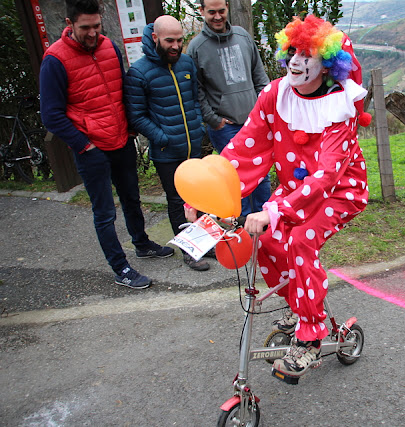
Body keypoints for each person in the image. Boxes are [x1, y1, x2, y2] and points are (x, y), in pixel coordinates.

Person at [219, 15, 369, 381]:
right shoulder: (275, 94)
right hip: (293, 192)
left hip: (341, 192)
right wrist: (213, 192)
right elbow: (245, 147)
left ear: (329, 63)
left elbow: (326, 176)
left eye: (308, 54)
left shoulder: (341, 107)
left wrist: (276, 209)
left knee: (300, 241)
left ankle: (312, 337)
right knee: (267, 239)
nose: (297, 62)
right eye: (293, 52)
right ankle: (297, 302)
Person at [40, 0, 174, 289]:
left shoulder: (109, 47)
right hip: (91, 149)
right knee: (104, 212)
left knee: (131, 198)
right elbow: (51, 115)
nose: (92, 33)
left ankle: (141, 243)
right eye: (84, 28)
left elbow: (121, 91)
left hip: (120, 140)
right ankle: (120, 267)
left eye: (96, 26)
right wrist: (84, 145)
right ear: (70, 23)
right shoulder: (55, 59)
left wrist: (127, 130)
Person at [123, 15, 210, 271]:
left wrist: (199, 127)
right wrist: (162, 138)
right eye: (169, 40)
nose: (175, 46)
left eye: (180, 40)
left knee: (202, 197)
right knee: (177, 201)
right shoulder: (139, 72)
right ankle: (189, 251)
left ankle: (205, 244)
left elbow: (194, 98)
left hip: (193, 144)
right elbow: (136, 115)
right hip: (166, 151)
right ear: (155, 38)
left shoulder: (186, 63)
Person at [186, 0, 272, 216]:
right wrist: (213, 120)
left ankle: (266, 223)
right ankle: (240, 225)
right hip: (225, 126)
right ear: (202, 11)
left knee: (261, 173)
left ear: (227, 8)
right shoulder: (196, 47)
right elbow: (197, 90)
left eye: (221, 11)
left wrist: (265, 110)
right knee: (234, 177)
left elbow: (259, 75)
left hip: (255, 122)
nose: (217, 17)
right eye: (211, 12)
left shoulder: (243, 36)